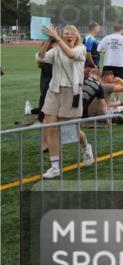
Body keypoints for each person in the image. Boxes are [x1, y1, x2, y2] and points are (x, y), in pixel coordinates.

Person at [37, 24, 95, 178]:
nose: (69, 35)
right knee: (51, 128)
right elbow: (40, 58)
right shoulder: (55, 50)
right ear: (61, 36)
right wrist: (48, 42)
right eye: (65, 33)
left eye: (72, 33)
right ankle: (55, 167)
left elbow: (71, 55)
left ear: (77, 36)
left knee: (72, 130)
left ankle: (86, 147)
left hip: (71, 92)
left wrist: (57, 39)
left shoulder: (81, 49)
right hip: (54, 90)